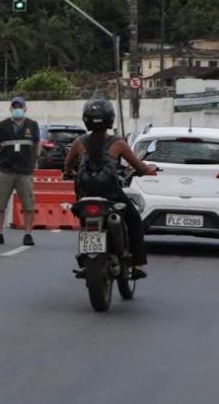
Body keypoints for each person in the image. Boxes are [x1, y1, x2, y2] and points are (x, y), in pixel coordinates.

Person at [63, 99, 157, 278]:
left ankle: (85, 259)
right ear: (110, 119)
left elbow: (68, 165)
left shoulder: (79, 143)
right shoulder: (118, 143)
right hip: (110, 194)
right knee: (134, 219)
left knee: (84, 221)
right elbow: (140, 167)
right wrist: (150, 168)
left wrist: (68, 172)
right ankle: (137, 264)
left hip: (85, 194)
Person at [0, 96, 40, 246]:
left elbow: (36, 145)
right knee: (0, 204)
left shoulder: (32, 125)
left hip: (24, 172)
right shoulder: (3, 125)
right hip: (6, 170)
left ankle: (28, 234)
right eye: (14, 107)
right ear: (11, 109)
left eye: (20, 106)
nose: (17, 109)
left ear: (25, 109)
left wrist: (31, 162)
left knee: (28, 205)